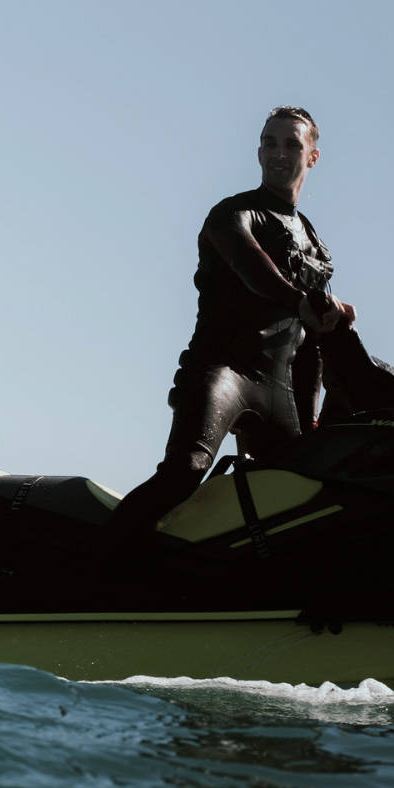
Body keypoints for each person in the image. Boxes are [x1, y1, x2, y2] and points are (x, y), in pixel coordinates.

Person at [98, 106, 356, 568]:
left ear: (312, 156)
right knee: (185, 472)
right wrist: (304, 300)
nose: (279, 153)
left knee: (302, 486)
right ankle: (87, 573)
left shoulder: (316, 247)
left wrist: (311, 419)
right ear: (258, 150)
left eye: (291, 144)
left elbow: (310, 344)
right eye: (269, 143)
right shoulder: (232, 215)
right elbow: (257, 273)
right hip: (222, 371)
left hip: (277, 390)